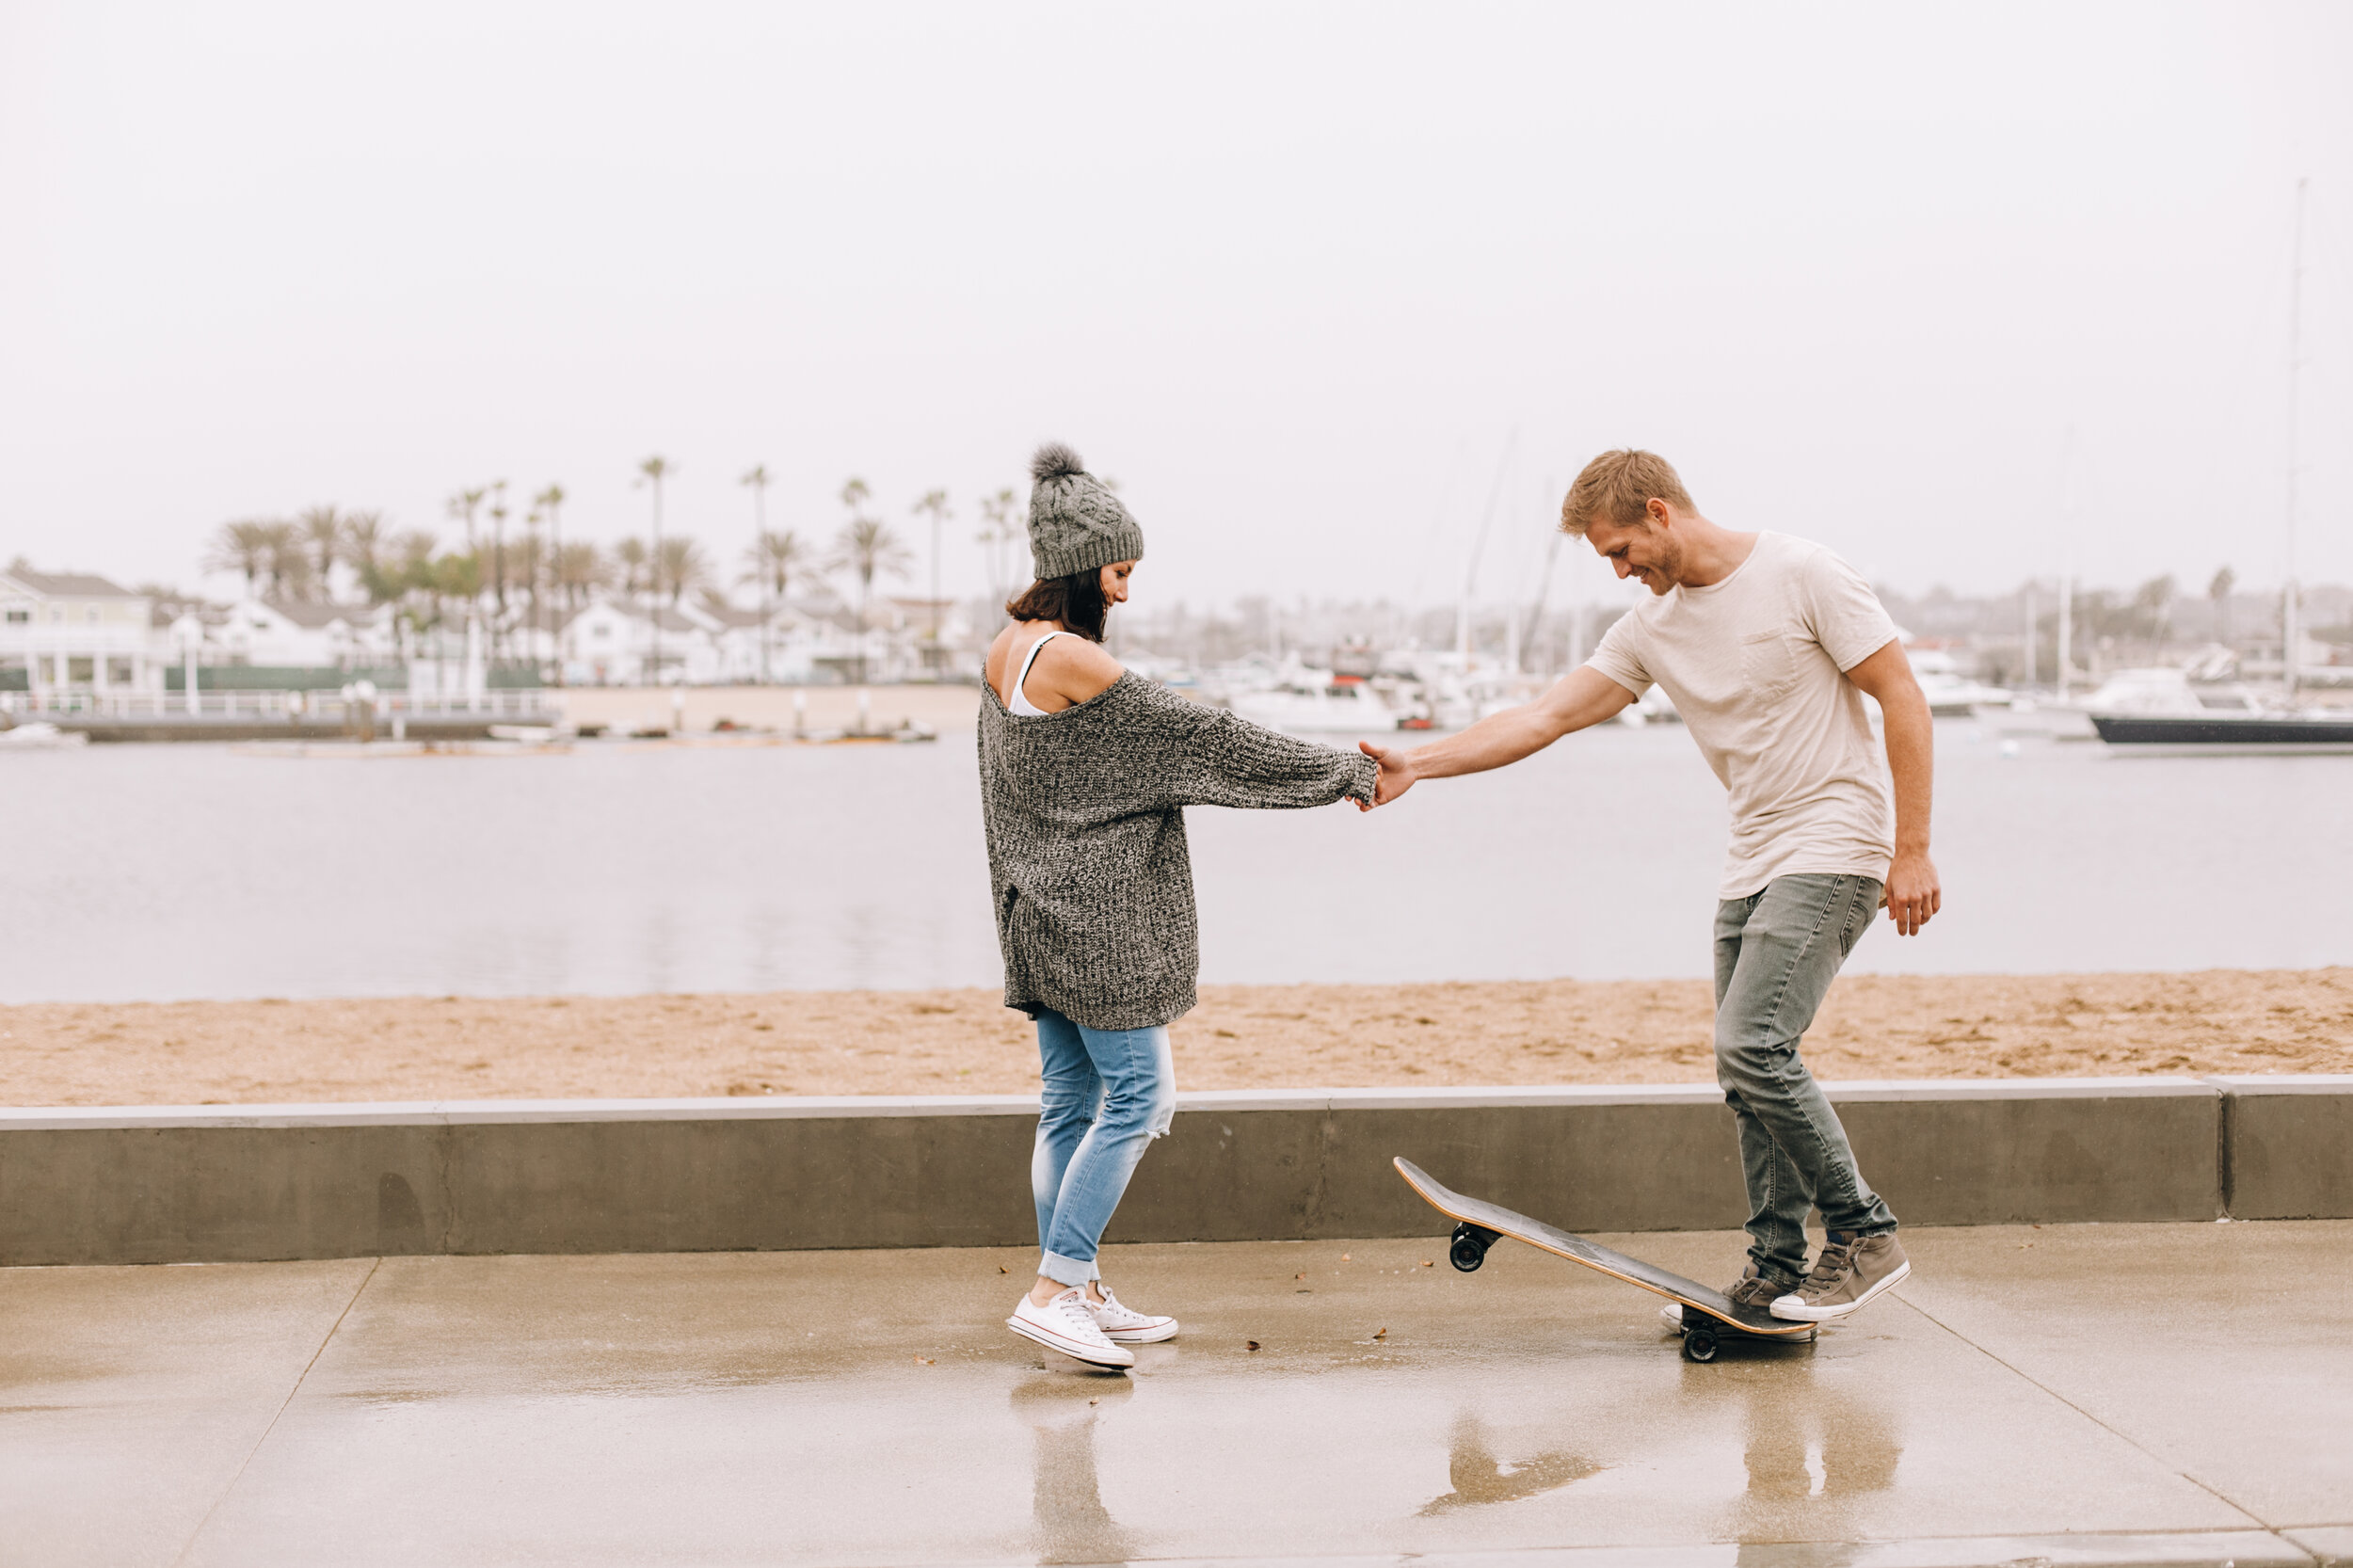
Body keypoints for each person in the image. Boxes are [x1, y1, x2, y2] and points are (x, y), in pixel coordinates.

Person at [1361, 449, 1938, 1324]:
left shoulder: (1803, 573)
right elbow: (1544, 717)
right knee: (1744, 1074)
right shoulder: (1649, 628)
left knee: (1754, 1044)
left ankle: (1865, 1234)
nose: (1622, 570)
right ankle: (1776, 1268)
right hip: (1752, 856)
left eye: (1622, 549)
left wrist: (1914, 849)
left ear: (1662, 513)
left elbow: (1901, 696)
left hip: (1836, 843)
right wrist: (1420, 763)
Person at [980, 441, 1378, 1369]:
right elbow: (1208, 740)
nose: (1124, 591)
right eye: (1119, 570)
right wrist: (1347, 772)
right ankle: (1053, 1290)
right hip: (1100, 923)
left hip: (1037, 909)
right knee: (1142, 1096)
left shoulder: (1004, 650)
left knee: (1069, 1102)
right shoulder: (1075, 660)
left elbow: (1015, 795)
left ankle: (1072, 1284)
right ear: (1082, 566)